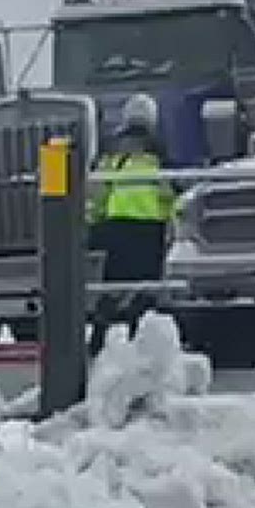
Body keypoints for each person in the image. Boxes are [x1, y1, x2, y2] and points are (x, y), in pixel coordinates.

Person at [87, 92, 177, 357]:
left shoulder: (114, 154)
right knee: (146, 289)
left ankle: (99, 342)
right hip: (150, 231)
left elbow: (99, 191)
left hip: (116, 228)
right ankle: (141, 341)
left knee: (112, 289)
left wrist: (93, 225)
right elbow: (171, 192)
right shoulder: (160, 154)